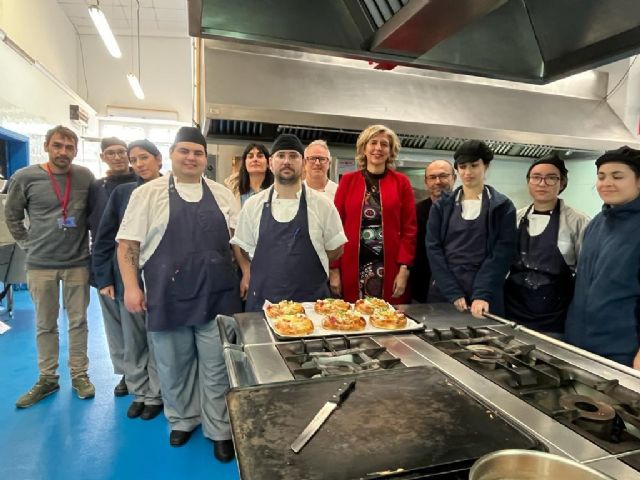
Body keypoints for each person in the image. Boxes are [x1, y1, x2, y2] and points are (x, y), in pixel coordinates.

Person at [116, 127, 240, 462]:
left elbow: (236, 242)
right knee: (173, 365)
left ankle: (219, 429)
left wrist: (248, 274)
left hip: (217, 295)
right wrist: (131, 286)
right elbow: (128, 245)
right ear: (170, 154)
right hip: (167, 294)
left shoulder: (222, 194)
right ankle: (183, 420)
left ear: (204, 159)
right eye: (184, 151)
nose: (191, 157)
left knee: (217, 367)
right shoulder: (148, 194)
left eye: (198, 153)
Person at [5, 125, 96, 407]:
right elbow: (12, 217)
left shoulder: (84, 176)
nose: (63, 152)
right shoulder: (25, 176)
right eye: (58, 145)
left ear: (76, 150)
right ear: (46, 146)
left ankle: (80, 374)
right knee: (45, 324)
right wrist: (29, 246)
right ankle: (48, 378)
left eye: (69, 147)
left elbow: (92, 215)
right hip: (40, 265)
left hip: (77, 263)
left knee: (78, 322)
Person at [231, 133, 347, 311]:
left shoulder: (323, 205)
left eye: (293, 156)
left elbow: (336, 249)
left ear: (303, 164)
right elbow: (244, 249)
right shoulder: (253, 205)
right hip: (264, 304)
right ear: (271, 163)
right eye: (281, 155)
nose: (287, 161)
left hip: (311, 306)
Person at [92, 139, 163, 420]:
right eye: (134, 160)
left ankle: (157, 394)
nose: (138, 164)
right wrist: (104, 278)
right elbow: (105, 237)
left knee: (157, 338)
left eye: (144, 157)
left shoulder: (172, 191)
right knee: (133, 340)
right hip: (127, 278)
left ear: (159, 159)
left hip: (161, 278)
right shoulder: (122, 193)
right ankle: (140, 391)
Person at [565, 146, 640, 368]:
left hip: (622, 351)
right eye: (601, 176)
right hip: (580, 345)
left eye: (617, 176)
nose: (606, 183)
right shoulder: (596, 224)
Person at [427, 140, 516, 318]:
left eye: (474, 165)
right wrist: (452, 291)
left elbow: (502, 254)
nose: (468, 172)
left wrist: (483, 293)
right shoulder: (441, 207)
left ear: (486, 166)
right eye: (463, 166)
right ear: (457, 170)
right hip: (444, 291)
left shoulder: (503, 207)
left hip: (485, 295)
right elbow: (433, 249)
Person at [331, 125, 417, 304]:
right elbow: (334, 229)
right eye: (373, 143)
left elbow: (409, 230)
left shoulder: (401, 183)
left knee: (389, 320)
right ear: (364, 148)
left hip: (390, 268)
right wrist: (334, 270)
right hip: (352, 266)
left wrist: (404, 270)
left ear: (390, 151)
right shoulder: (348, 181)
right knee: (354, 320)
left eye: (384, 144)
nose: (378, 148)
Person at [504, 154, 589, 336]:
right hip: (513, 311)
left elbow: (585, 273)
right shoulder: (514, 218)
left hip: (555, 316)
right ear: (529, 182)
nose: (542, 184)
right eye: (536, 177)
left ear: (562, 183)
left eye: (551, 178)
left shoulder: (578, 222)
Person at [88, 137, 137, 398]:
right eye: (111, 153)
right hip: (105, 264)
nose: (117, 157)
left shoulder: (142, 184)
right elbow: (97, 232)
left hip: (134, 265)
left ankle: (141, 372)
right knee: (115, 326)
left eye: (122, 152)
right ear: (102, 157)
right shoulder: (95, 187)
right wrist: (101, 275)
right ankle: (125, 374)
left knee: (137, 326)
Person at [410, 160, 456, 303]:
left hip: (458, 288)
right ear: (426, 182)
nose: (437, 181)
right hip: (422, 290)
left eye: (443, 176)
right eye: (432, 177)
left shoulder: (465, 210)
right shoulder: (416, 212)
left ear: (454, 178)